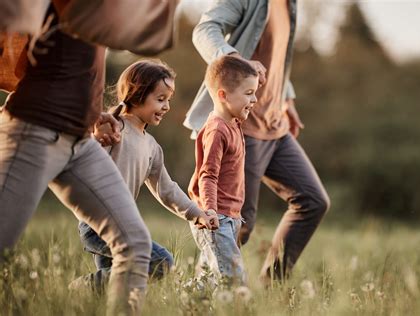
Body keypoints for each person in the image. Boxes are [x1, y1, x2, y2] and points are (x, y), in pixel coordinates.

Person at [0, 4, 149, 315]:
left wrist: (93, 114)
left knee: (134, 245)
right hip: (34, 130)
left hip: (79, 141)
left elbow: (76, 65)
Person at [184, 0, 331, 282]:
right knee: (237, 224)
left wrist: (286, 98)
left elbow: (277, 58)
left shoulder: (290, 5)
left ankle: (271, 287)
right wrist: (235, 60)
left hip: (275, 126)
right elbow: (204, 29)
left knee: (313, 201)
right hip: (242, 129)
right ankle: (202, 297)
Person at [73, 60, 219, 292]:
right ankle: (81, 288)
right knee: (160, 262)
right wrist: (95, 133)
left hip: (122, 222)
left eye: (168, 100)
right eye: (160, 99)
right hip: (97, 223)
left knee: (115, 291)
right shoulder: (113, 129)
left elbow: (166, 189)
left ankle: (86, 295)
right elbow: (83, 162)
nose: (167, 106)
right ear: (137, 94)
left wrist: (196, 213)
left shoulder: (152, 147)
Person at [188, 55, 259, 285]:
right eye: (249, 93)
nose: (255, 99)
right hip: (215, 217)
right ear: (223, 95)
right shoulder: (217, 130)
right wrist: (209, 209)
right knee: (234, 281)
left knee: (207, 281)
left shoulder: (234, 123)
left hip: (230, 217)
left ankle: (184, 304)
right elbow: (207, 174)